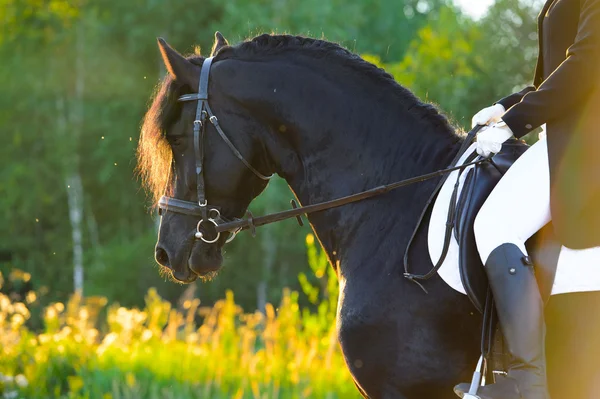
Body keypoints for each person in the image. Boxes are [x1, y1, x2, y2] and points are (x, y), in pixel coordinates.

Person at [453, 0, 600, 398]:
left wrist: (516, 123)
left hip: (583, 142)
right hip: (565, 136)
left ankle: (528, 379)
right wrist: (507, 106)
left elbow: (586, 64)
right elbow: (555, 75)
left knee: (494, 224)